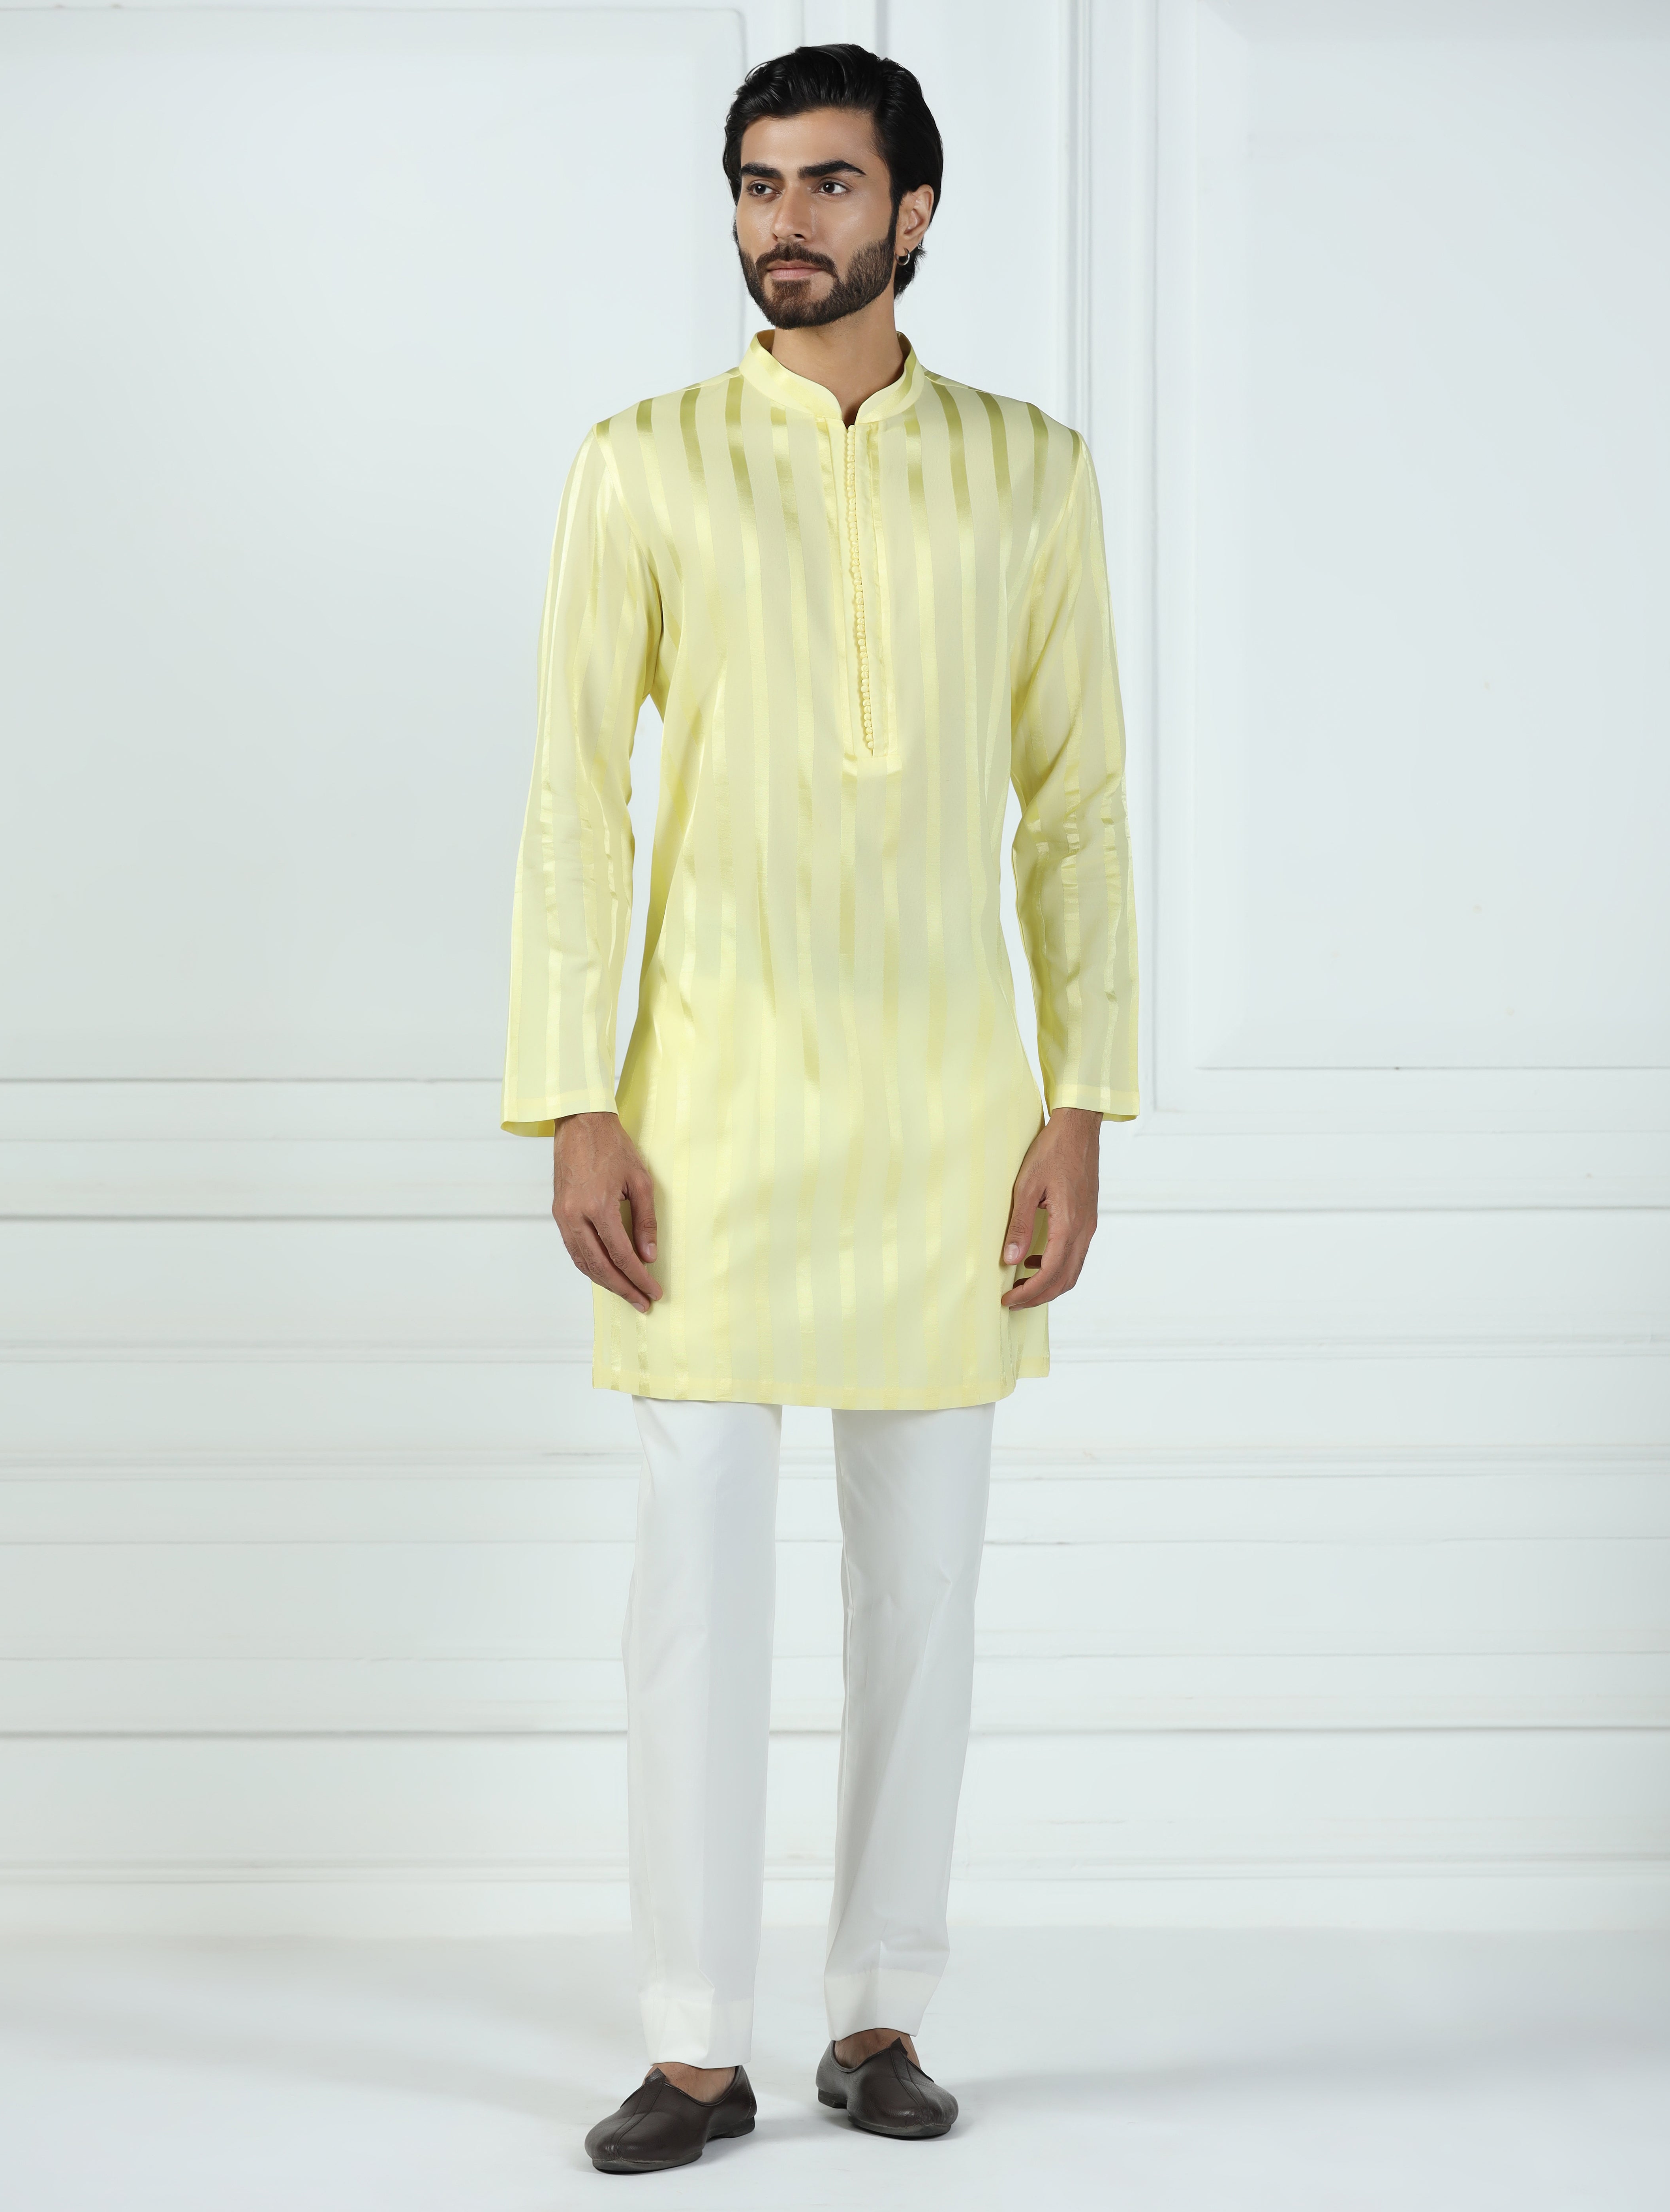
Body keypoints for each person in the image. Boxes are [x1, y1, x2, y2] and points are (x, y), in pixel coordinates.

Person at [501, 41, 1139, 2177]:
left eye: (831, 184)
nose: (787, 220)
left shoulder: (1031, 475)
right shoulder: (645, 466)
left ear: (913, 213)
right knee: (693, 1584)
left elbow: (1076, 809)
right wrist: (573, 1099)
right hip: (703, 1103)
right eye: (760, 183)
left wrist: (1081, 1100)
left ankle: (881, 2014)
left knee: (924, 1593)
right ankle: (694, 2045)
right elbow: (575, 805)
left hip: (951, 1106)